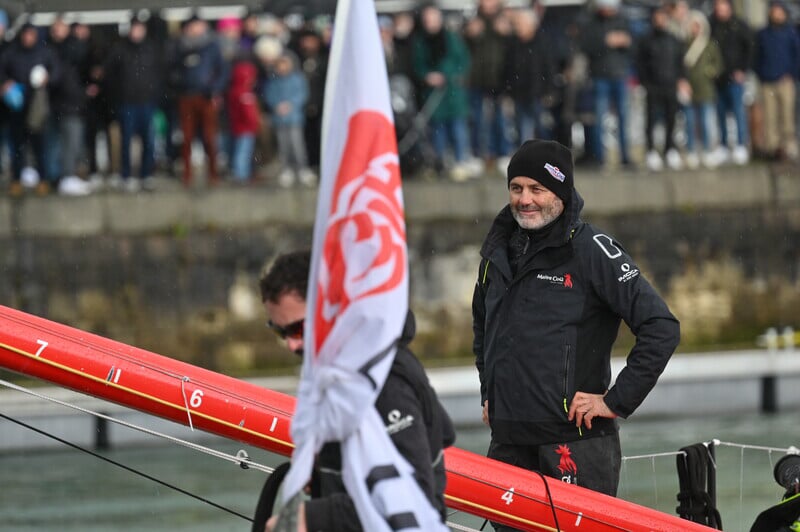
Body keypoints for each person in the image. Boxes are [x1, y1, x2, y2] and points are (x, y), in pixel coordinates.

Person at [471, 140, 679, 530]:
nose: (524, 200)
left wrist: (615, 401)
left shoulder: (592, 250)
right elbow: (484, 326)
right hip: (509, 443)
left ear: (561, 193)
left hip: (574, 446)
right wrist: (489, 390)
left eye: (537, 189)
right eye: (516, 188)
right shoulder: (496, 252)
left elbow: (661, 327)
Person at [257, 250, 455, 531]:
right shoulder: (334, 369)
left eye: (298, 329)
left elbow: (416, 497)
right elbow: (443, 430)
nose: (291, 345)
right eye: (280, 332)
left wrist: (312, 518)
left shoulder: (386, 380)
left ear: (331, 308)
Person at [104, 14, 162, 192]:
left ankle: (146, 174)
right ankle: (126, 175)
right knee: (126, 140)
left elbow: (159, 74)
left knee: (148, 140)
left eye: (139, 28)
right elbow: (109, 75)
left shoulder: (151, 49)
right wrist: (118, 95)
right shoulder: (120, 50)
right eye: (134, 28)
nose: (136, 32)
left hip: (146, 102)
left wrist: (155, 94)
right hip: (127, 103)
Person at [635, 7, 690, 172]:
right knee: (651, 119)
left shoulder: (674, 40)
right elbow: (640, 63)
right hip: (652, 86)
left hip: (670, 85)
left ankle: (669, 149)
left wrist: (682, 80)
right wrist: (645, 82)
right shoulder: (646, 40)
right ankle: (651, 151)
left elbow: (680, 63)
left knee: (671, 119)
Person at [580, 0, 633, 168]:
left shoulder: (623, 20)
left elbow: (633, 46)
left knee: (623, 117)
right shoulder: (591, 23)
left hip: (619, 74)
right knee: (599, 117)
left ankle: (625, 156)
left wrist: (625, 41)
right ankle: (599, 157)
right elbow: (586, 46)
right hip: (600, 76)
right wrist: (605, 41)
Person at [753, 0, 800, 162]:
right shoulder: (763, 34)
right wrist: (761, 75)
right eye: (774, 11)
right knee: (770, 116)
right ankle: (772, 148)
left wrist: (792, 74)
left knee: (787, 116)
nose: (776, 14)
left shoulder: (790, 33)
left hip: (786, 81)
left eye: (779, 11)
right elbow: (756, 57)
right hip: (767, 81)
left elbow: (797, 56)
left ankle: (789, 146)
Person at [709, 0, 753, 165]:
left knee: (738, 111)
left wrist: (743, 69)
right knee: (720, 113)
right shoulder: (712, 25)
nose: (720, 9)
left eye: (723, 6)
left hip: (735, 77)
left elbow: (749, 48)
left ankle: (741, 145)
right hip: (718, 78)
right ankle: (723, 146)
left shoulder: (739, 25)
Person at [263, 52, 315, 187]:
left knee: (297, 144)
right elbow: (269, 95)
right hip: (280, 118)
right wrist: (277, 105)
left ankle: (302, 168)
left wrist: (290, 105)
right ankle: (287, 169)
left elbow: (302, 94)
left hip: (294, 117)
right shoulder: (274, 81)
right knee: (283, 145)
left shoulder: (297, 79)